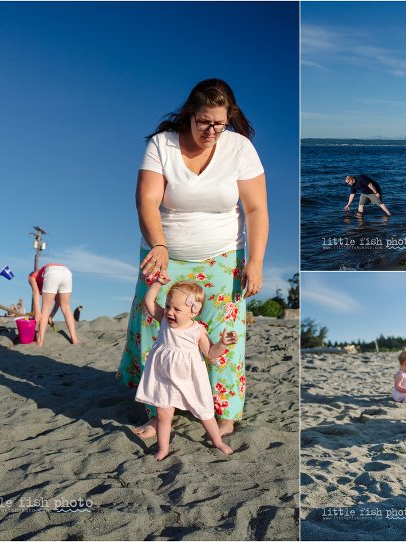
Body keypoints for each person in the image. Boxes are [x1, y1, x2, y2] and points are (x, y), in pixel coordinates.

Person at [118, 79, 268, 438]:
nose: (211, 130)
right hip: (165, 255)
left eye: (220, 123)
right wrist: (159, 245)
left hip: (223, 256)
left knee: (224, 333)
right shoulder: (162, 145)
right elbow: (147, 201)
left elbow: (256, 208)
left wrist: (256, 261)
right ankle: (159, 411)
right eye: (204, 121)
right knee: (160, 331)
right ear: (190, 114)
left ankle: (224, 411)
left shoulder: (240, 148)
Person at [135, 277, 235, 460]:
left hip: (190, 379)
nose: (170, 312)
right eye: (167, 306)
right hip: (163, 376)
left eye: (177, 309)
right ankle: (163, 448)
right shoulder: (164, 321)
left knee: (204, 411)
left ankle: (217, 441)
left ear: (193, 312)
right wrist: (157, 284)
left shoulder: (197, 331)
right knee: (163, 414)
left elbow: (211, 353)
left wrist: (222, 344)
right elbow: (149, 301)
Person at [28, 263, 80, 346]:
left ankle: (40, 341)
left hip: (51, 272)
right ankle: (75, 339)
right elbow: (58, 301)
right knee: (66, 307)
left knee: (45, 308)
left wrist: (37, 312)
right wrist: (51, 316)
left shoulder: (31, 276)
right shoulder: (42, 274)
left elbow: (35, 292)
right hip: (66, 272)